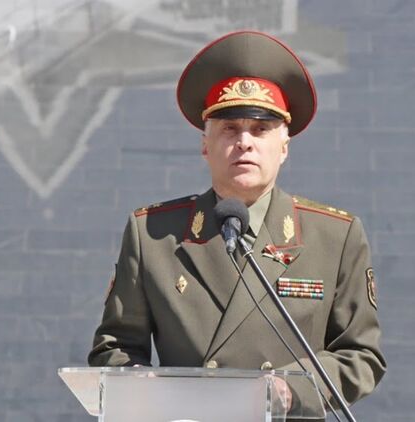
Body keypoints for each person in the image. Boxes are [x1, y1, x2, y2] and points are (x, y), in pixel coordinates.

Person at [88, 30, 386, 418]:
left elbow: (360, 355)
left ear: (284, 147)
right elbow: (115, 346)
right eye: (229, 128)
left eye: (260, 129)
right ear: (205, 145)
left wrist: (290, 389)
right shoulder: (153, 235)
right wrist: (140, 383)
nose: (245, 142)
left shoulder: (334, 237)